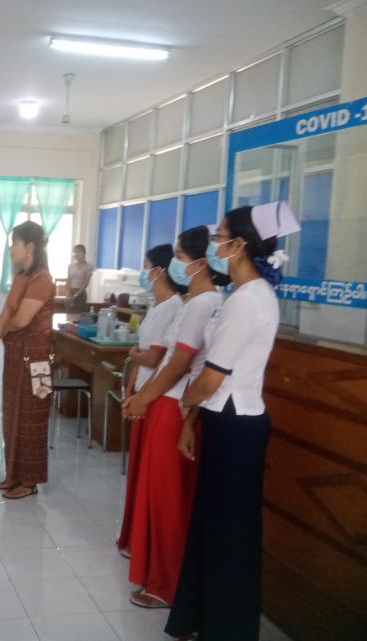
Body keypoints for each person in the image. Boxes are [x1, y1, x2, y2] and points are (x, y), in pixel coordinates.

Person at [165, 204, 300, 641]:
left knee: (229, 533)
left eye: (220, 236)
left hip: (236, 425)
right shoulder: (244, 296)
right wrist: (191, 420)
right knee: (213, 525)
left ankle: (226, 628)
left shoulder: (249, 300)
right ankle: (201, 618)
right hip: (223, 418)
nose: (214, 244)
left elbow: (210, 378)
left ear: (239, 245)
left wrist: (184, 405)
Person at [123, 226, 229, 609]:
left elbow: (179, 364)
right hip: (169, 401)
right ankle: (161, 575)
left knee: (167, 498)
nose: (175, 264)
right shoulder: (198, 301)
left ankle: (166, 584)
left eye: (180, 257)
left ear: (200, 262)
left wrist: (143, 398)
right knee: (163, 494)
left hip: (172, 403)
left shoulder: (203, 304)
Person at [116, 244, 184, 559]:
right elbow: (141, 351)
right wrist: (130, 387)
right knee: (138, 469)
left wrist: (134, 356)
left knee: (149, 476)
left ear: (159, 271)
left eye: (146, 266)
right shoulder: (157, 305)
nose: (144, 273)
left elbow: (155, 357)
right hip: (142, 389)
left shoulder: (173, 307)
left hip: (156, 395)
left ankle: (144, 543)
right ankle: (134, 536)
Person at [0, 221, 54, 500]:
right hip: (15, 357)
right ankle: (14, 473)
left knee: (32, 418)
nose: (11, 248)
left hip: (38, 362)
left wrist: (7, 326)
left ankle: (29, 480)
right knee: (12, 415)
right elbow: (6, 316)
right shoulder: (22, 277)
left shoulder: (42, 279)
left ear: (29, 247)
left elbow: (21, 320)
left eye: (15, 243)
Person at [67, 244, 93, 313]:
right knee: (69, 316)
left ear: (84, 253)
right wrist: (69, 294)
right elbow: (68, 281)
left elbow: (85, 284)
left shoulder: (88, 266)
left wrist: (75, 296)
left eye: (78, 252)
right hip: (70, 293)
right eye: (75, 252)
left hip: (80, 293)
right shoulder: (71, 266)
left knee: (79, 316)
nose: (76, 254)